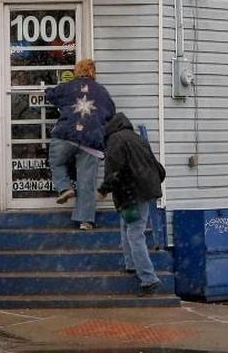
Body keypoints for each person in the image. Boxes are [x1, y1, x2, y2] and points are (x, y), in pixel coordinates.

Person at [98, 112, 165, 296]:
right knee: (127, 227)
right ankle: (131, 264)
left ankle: (149, 279)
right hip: (140, 192)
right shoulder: (138, 139)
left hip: (131, 194)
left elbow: (115, 170)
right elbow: (159, 169)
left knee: (135, 234)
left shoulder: (115, 141)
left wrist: (103, 189)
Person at [44, 58, 115, 229]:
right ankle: (86, 221)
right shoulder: (102, 92)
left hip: (67, 134)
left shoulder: (70, 86)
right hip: (92, 139)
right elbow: (111, 113)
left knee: (56, 161)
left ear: (77, 71)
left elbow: (51, 95)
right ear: (93, 72)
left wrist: (46, 90)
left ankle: (64, 188)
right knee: (86, 181)